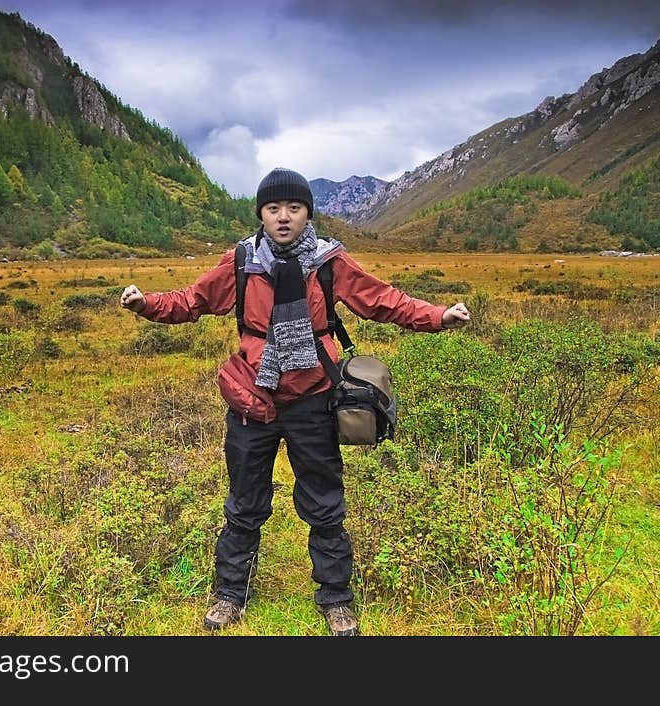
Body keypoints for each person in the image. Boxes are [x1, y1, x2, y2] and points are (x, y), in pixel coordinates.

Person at [120, 167, 470, 636]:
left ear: (307, 213)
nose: (283, 217)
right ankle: (230, 594)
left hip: (313, 399)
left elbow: (382, 300)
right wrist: (147, 304)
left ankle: (335, 598)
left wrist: (437, 315)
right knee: (244, 503)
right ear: (261, 214)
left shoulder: (330, 262)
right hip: (254, 398)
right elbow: (193, 300)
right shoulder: (241, 262)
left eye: (294, 208)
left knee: (325, 502)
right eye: (273, 209)